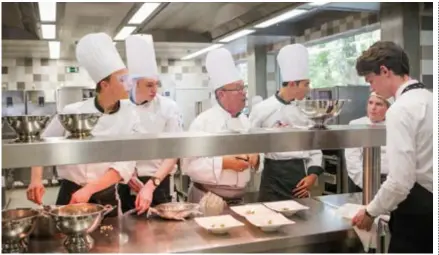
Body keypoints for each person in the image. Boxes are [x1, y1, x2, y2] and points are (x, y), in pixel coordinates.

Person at [26, 33, 142, 214]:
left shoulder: (131, 114)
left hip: (106, 195)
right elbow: (42, 143)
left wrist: (89, 189)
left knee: (109, 240)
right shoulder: (73, 111)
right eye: (122, 80)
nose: (129, 85)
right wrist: (36, 179)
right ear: (105, 85)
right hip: (70, 191)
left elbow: (124, 165)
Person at [351, 41, 433, 253]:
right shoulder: (430, 99)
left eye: (371, 80)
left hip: (419, 215)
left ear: (385, 71)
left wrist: (370, 212)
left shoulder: (400, 109)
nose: (372, 88)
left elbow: (400, 182)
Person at [182, 48, 263, 205]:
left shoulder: (246, 121)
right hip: (208, 198)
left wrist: (257, 158)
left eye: (243, 87)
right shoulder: (202, 122)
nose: (244, 93)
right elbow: (188, 166)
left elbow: (260, 152)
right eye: (238, 89)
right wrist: (224, 163)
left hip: (240, 199)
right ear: (221, 94)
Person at [117, 34, 183, 215]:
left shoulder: (169, 107)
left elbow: (174, 151)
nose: (155, 90)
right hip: (125, 181)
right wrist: (128, 174)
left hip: (159, 181)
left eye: (156, 84)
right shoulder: (119, 108)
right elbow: (115, 147)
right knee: (127, 231)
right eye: (149, 85)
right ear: (134, 84)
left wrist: (151, 184)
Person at [249, 44, 324, 202]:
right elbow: (251, 142)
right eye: (305, 84)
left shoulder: (307, 110)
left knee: (301, 221)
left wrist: (312, 176)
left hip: (298, 176)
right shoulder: (262, 109)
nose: (308, 89)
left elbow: (315, 146)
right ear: (291, 84)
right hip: (272, 176)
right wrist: (254, 154)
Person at [345, 92, 392, 192]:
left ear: (389, 108)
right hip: (361, 182)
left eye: (379, 104)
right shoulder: (356, 125)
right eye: (370, 103)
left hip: (390, 183)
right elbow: (352, 161)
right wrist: (368, 185)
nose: (373, 107)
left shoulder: (396, 125)